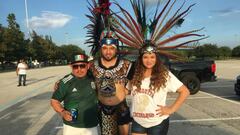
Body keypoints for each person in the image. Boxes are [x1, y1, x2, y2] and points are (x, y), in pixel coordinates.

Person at [128, 43, 190, 135]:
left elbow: (185, 91)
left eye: (152, 57)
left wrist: (171, 109)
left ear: (156, 58)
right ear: (141, 58)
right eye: (145, 57)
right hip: (138, 121)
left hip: (157, 122)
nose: (149, 60)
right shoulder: (134, 73)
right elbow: (126, 90)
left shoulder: (164, 74)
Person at [90, 30, 133, 135]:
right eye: (105, 48)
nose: (108, 52)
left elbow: (137, 78)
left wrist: (127, 90)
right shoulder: (92, 66)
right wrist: (60, 82)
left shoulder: (127, 64)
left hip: (121, 107)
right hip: (103, 109)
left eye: (111, 48)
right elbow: (79, 76)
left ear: (116, 48)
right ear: (100, 48)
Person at [51, 53, 99, 135]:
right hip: (71, 127)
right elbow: (54, 101)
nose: (79, 69)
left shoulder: (95, 78)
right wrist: (62, 112)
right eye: (75, 66)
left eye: (82, 66)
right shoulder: (65, 82)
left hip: (91, 126)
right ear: (71, 66)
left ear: (87, 66)